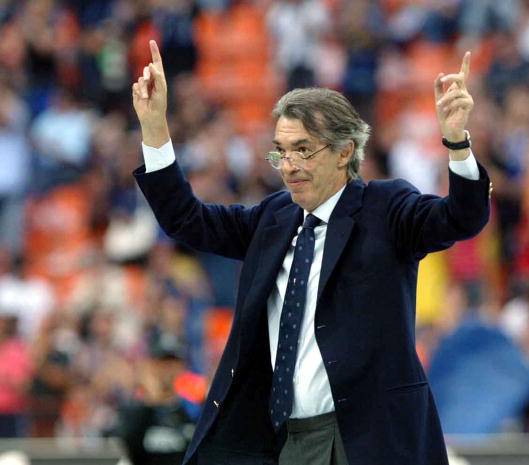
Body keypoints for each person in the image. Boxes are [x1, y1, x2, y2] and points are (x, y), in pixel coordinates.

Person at [131, 40, 491, 465]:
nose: (289, 165)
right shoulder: (272, 218)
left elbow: (460, 219)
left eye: (303, 150)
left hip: (370, 438)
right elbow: (186, 220)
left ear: (344, 152)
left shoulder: (385, 208)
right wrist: (154, 130)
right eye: (281, 152)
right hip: (288, 438)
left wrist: (457, 143)